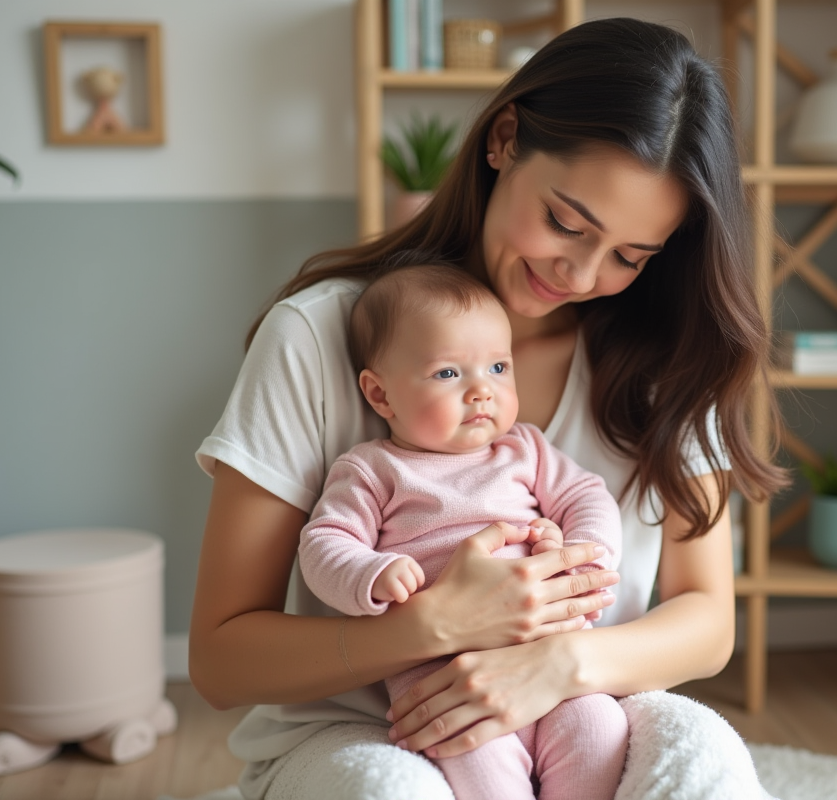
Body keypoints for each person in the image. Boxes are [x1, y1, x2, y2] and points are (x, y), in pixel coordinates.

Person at [190, 16, 785, 800]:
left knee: (706, 756)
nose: (579, 273)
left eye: (630, 257)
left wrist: (560, 665)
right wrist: (428, 629)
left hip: (579, 701)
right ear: (504, 138)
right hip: (367, 731)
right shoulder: (318, 335)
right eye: (566, 223)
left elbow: (707, 621)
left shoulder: (666, 362)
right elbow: (220, 660)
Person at [298, 264, 629, 800]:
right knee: (477, 759)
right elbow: (322, 544)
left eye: (499, 366)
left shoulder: (525, 448)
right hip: (445, 680)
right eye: (449, 374)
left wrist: (581, 556)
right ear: (380, 395)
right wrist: (370, 573)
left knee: (600, 730)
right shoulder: (374, 470)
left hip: (549, 658)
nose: (482, 391)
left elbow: (586, 495)